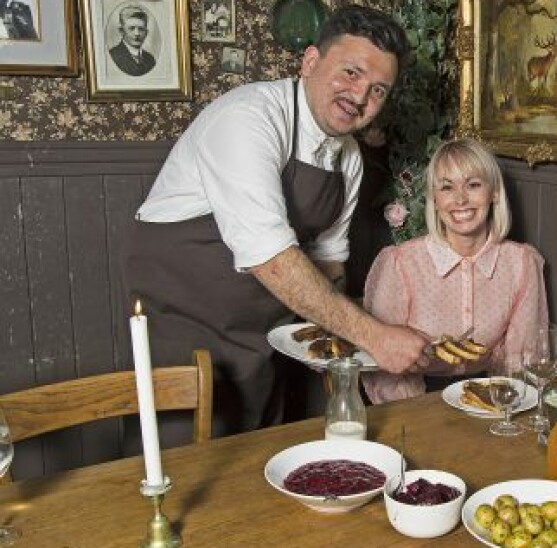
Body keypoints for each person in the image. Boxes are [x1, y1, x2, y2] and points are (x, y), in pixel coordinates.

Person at [121, 5, 427, 435]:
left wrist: (338, 346)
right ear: (310, 61)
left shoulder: (349, 158)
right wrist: (375, 337)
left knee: (258, 461)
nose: (359, 98)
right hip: (188, 326)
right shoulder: (248, 118)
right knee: (185, 469)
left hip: (265, 335)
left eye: (378, 90)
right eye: (351, 73)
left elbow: (329, 264)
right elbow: (273, 260)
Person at [361, 138, 549, 404]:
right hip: (417, 401)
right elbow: (384, 367)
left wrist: (499, 406)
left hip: (491, 398)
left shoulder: (521, 263)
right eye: (447, 187)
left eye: (473, 185)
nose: (460, 199)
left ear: (494, 193)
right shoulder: (401, 263)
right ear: (434, 200)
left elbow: (522, 358)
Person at [109, 4, 156, 77]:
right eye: (131, 28)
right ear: (121, 31)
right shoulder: (113, 56)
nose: (137, 33)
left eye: (141, 29)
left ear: (146, 33)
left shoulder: (150, 59)